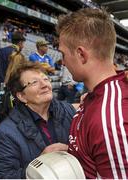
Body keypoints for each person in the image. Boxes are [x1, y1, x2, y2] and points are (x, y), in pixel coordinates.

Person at [57, 8, 128, 179]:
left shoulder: (109, 120)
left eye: (63, 54)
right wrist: (70, 152)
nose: (63, 62)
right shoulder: (95, 97)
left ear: (81, 54)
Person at [0, 60, 77, 179]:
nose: (44, 84)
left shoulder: (68, 111)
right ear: (22, 96)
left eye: (46, 79)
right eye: (34, 82)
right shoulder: (5, 133)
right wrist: (38, 166)